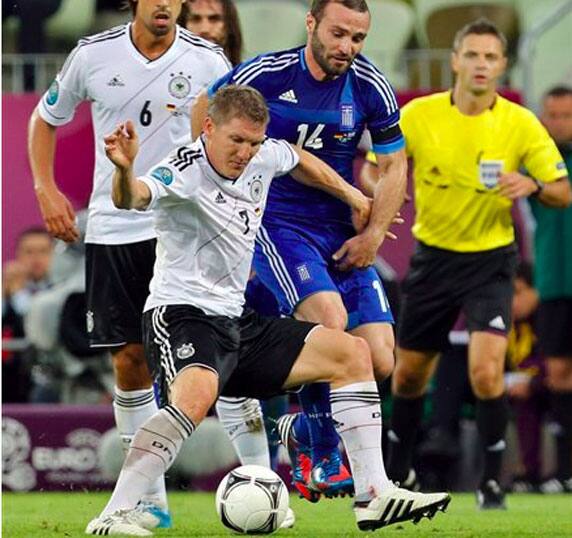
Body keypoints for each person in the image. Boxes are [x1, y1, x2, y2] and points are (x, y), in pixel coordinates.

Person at [85, 84, 450, 536]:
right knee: (196, 398)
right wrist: (123, 170)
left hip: (236, 322)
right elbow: (133, 197)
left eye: (253, 142)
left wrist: (354, 196)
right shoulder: (182, 169)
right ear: (209, 128)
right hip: (180, 315)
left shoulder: (265, 155)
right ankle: (117, 512)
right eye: (236, 141)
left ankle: (374, 495)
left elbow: (299, 159)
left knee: (352, 354)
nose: (245, 152)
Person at [192, 0, 406, 501]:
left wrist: (373, 235)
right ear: (311, 24)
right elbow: (207, 110)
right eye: (338, 34)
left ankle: (300, 432)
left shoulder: (370, 86)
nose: (347, 47)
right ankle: (321, 452)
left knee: (379, 359)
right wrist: (213, 182)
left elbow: (394, 166)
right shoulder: (268, 72)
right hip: (278, 223)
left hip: (340, 229)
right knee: (328, 321)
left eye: (357, 38)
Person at [28, 0, 231, 528]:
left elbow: (234, 137)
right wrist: (45, 188)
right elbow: (44, 118)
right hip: (116, 227)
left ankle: (259, 473)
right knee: (129, 362)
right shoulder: (93, 55)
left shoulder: (209, 61)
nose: (164, 3)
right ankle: (149, 499)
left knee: (203, 360)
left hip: (182, 228)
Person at [367, 18, 570, 509]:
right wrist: (382, 196)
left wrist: (534, 186)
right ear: (455, 60)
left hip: (491, 262)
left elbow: (562, 190)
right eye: (472, 55)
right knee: (410, 375)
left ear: (502, 66)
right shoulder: (418, 114)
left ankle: (493, 483)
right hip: (432, 259)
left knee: (485, 372)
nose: (481, 65)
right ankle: (399, 473)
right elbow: (375, 167)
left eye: (491, 57)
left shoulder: (520, 123)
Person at [531, 85, 572, 494]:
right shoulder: (538, 165)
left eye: (566, 115)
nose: (558, 123)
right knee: (558, 374)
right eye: (552, 115)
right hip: (553, 280)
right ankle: (564, 471)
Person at [2, 228, 54, 402]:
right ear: (18, 255)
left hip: (48, 374)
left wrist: (18, 295)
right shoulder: (6, 288)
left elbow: (37, 325)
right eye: (29, 252)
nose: (36, 259)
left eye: (43, 251)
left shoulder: (61, 289)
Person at [179, 0, 242, 66]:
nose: (205, 29)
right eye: (195, 19)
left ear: (230, 25)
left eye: (214, 19)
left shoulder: (245, 73)